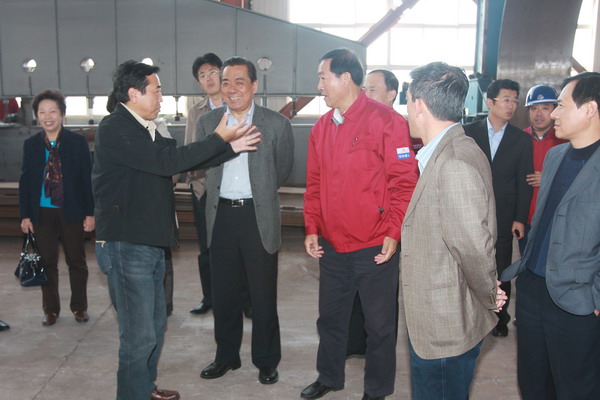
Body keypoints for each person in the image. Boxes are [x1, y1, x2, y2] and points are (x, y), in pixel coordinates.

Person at [93, 60, 260, 400]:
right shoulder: (116, 127)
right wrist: (218, 138)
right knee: (138, 335)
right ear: (134, 93)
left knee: (154, 326)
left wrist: (228, 148)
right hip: (126, 244)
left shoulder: (147, 128)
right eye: (156, 91)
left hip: (149, 241)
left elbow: (182, 159)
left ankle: (145, 388)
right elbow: (166, 163)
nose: (161, 97)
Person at [302, 48, 418, 400]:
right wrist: (312, 226)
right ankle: (329, 376)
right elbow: (314, 183)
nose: (319, 85)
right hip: (333, 245)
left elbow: (404, 183)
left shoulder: (387, 121)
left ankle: (377, 390)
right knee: (330, 319)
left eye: (323, 78)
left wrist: (393, 231)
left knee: (379, 326)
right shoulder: (322, 127)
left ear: (345, 78)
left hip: (374, 246)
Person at [402, 61, 506, 400]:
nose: (406, 109)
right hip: (438, 315)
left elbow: (473, 245)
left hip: (444, 323)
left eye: (408, 101)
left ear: (419, 104)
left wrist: (489, 293)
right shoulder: (451, 150)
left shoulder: (453, 163)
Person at [501, 71, 600, 400]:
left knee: (575, 388)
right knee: (533, 384)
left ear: (590, 109)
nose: (554, 113)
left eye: (561, 106)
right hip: (533, 290)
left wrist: (595, 298)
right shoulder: (556, 156)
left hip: (577, 301)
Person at [197, 56, 294, 386]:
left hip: (257, 215)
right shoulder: (209, 122)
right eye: (226, 82)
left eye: (240, 81)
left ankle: (266, 360)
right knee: (223, 293)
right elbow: (202, 162)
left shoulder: (275, 124)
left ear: (254, 85)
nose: (232, 88)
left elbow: (281, 170)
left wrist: (261, 193)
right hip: (220, 215)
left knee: (262, 294)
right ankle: (226, 356)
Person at [463, 79, 533, 337]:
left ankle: (499, 319)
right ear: (490, 102)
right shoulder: (468, 132)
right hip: (471, 211)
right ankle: (471, 315)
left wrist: (519, 218)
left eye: (515, 101)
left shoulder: (521, 139)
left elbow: (524, 181)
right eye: (506, 100)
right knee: (470, 264)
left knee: (501, 267)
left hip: (504, 214)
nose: (511, 105)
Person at [19, 89, 94, 327]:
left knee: (76, 261)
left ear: (62, 114)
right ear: (37, 116)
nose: (47, 117)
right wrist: (25, 215)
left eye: (53, 111)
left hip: (71, 210)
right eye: (42, 112)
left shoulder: (77, 142)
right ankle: (51, 310)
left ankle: (79, 307)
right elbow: (25, 181)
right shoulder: (31, 144)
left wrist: (90, 213)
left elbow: (87, 178)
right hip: (41, 212)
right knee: (47, 262)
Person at [519, 85, 567, 254]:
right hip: (525, 219)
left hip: (554, 218)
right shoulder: (518, 139)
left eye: (545, 108)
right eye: (534, 109)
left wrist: (548, 178)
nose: (538, 114)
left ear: (555, 110)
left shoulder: (565, 140)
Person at [364, 69, 423, 153]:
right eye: (364, 90)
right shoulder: (358, 126)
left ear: (391, 95)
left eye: (372, 90)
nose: (365, 95)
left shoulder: (409, 131)